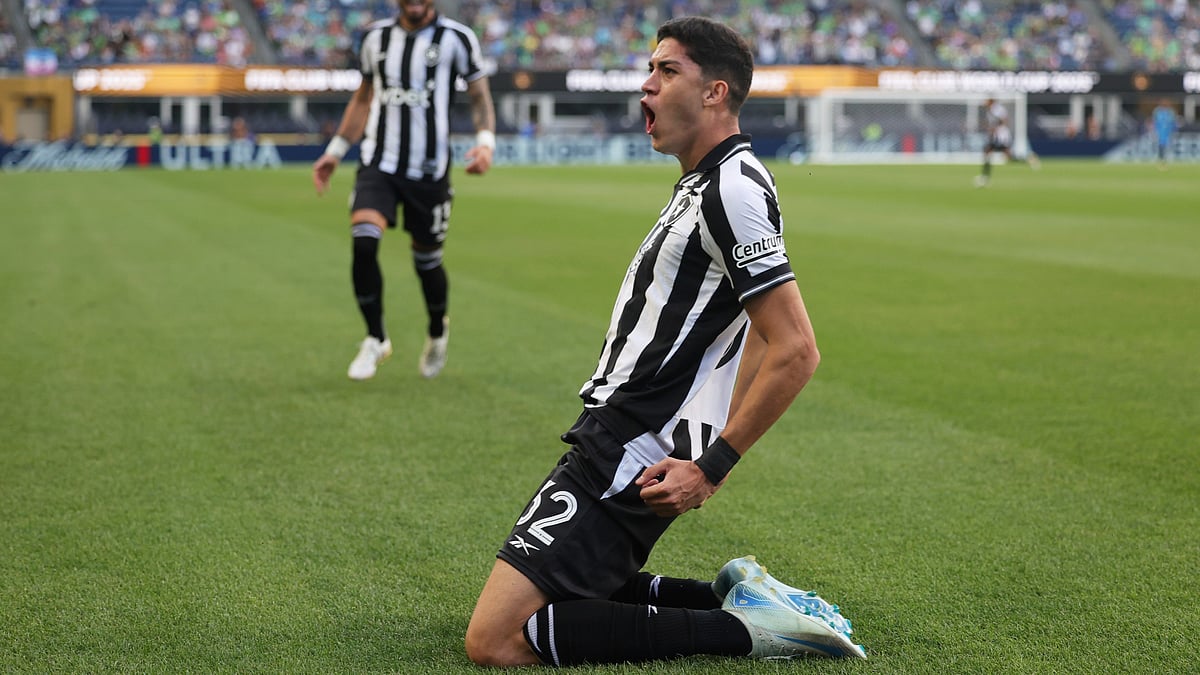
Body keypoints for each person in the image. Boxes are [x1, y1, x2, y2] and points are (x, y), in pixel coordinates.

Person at [464, 17, 866, 667]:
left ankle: (750, 630)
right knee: (568, 584)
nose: (646, 87)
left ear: (715, 91)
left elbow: (794, 345)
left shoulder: (731, 188)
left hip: (633, 440)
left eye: (666, 71)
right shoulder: (709, 183)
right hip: (620, 430)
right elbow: (753, 334)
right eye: (649, 71)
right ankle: (734, 599)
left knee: (497, 638)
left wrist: (711, 463)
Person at [312, 0, 496, 380]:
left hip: (428, 173)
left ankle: (436, 329)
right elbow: (363, 98)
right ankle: (376, 338)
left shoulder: (457, 39)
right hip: (378, 163)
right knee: (364, 241)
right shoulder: (375, 38)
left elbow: (479, 96)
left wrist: (485, 142)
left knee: (426, 262)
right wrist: (335, 151)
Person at [975, 96, 1038, 187]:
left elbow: (1004, 120)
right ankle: (1029, 159)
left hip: (1002, 136)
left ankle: (985, 177)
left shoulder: (997, 109)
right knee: (1007, 157)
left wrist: (995, 128)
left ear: (991, 101)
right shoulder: (990, 110)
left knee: (988, 151)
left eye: (986, 101)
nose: (984, 102)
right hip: (997, 136)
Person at [1151, 99, 1178, 169]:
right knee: (1161, 147)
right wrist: (1154, 131)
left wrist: (1173, 130)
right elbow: (1155, 122)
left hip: (1168, 133)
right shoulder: (1158, 112)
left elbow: (1173, 123)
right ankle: (1161, 161)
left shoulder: (1170, 112)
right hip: (1160, 133)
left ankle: (1166, 161)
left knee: (1167, 147)